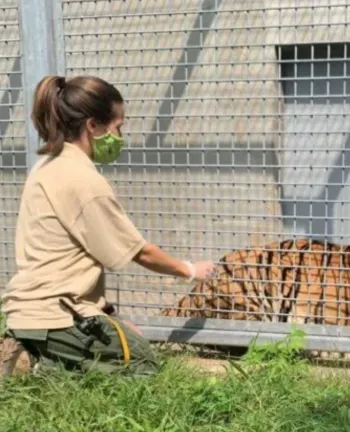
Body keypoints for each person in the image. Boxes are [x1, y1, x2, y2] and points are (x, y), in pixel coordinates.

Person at [1, 75, 216, 377]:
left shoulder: (46, 166)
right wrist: (191, 270)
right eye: (118, 127)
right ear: (93, 126)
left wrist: (109, 317)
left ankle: (44, 356)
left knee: (128, 342)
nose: (120, 135)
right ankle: (51, 371)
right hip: (57, 316)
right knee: (145, 367)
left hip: (29, 310)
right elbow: (141, 253)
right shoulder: (84, 181)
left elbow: (72, 257)